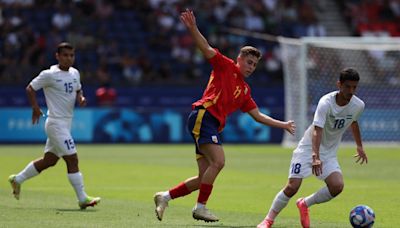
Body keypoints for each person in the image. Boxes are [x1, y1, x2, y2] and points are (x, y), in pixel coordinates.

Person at [154, 9, 296, 223]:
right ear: (239, 59)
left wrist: (283, 124)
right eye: (249, 62)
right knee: (219, 162)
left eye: (255, 65)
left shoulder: (245, 90)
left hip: (210, 123)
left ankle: (165, 196)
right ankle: (200, 207)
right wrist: (193, 28)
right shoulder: (225, 66)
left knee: (204, 178)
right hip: (204, 116)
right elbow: (205, 47)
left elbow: (257, 116)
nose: (251, 67)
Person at [257, 68, 368, 228]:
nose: (351, 91)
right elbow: (317, 130)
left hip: (329, 153)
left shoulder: (358, 105)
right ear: (339, 84)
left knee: (337, 186)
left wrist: (359, 146)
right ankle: (268, 220)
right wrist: (315, 156)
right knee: (292, 187)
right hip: (308, 148)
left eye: (354, 87)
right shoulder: (326, 102)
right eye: (348, 87)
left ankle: (304, 204)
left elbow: (354, 122)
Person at [8, 42, 100, 210]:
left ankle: (17, 179)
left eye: (72, 55)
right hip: (56, 123)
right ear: (57, 56)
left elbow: (78, 89)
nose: (69, 58)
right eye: (65, 55)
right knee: (72, 158)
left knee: (49, 161)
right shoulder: (49, 74)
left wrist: (81, 98)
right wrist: (35, 108)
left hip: (66, 122)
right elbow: (30, 88)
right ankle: (82, 198)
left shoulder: (75, 73)